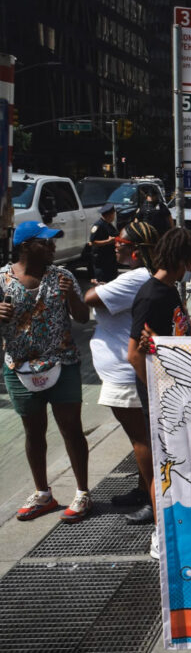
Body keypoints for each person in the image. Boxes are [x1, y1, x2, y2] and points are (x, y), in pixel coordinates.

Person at [1, 221, 92, 523]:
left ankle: (82, 492)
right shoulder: (2, 279)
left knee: (71, 428)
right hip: (20, 366)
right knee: (33, 431)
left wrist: (72, 297)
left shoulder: (62, 277)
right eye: (46, 242)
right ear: (26, 246)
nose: (53, 246)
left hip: (62, 361)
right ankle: (43, 493)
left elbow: (82, 318)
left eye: (53, 241)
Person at [127, 227, 191, 557]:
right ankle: (159, 533)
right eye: (189, 262)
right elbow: (133, 353)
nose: (190, 269)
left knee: (179, 463)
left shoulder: (169, 291)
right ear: (180, 259)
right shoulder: (151, 295)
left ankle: (176, 526)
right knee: (165, 466)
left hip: (176, 393)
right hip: (161, 397)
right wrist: (159, 395)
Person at [84, 219, 158, 524]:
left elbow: (89, 299)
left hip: (124, 375)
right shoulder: (138, 276)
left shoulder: (135, 278)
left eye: (122, 243)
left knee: (140, 440)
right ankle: (144, 490)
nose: (116, 245)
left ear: (137, 252)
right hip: (121, 372)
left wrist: (95, 289)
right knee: (140, 438)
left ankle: (155, 500)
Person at [89, 203, 120, 283]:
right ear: (110, 214)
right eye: (113, 214)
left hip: (110, 259)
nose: (114, 216)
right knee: (103, 282)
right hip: (102, 260)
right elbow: (93, 242)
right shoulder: (98, 225)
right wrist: (108, 241)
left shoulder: (108, 224)